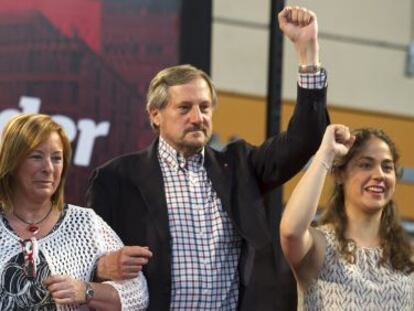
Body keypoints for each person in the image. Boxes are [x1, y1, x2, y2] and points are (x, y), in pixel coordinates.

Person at [86, 6, 329, 311]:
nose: (197, 117)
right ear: (155, 114)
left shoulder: (241, 167)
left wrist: (308, 53)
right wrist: (102, 267)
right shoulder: (117, 179)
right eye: (184, 108)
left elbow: (305, 139)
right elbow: (86, 263)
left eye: (204, 107)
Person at [0, 113, 149, 310]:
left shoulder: (85, 224)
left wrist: (86, 291)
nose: (49, 168)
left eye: (56, 158)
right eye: (36, 156)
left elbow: (138, 294)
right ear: (12, 162)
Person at [280, 124, 414, 310]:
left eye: (387, 167)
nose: (379, 175)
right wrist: (325, 154)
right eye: (366, 165)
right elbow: (290, 231)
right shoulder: (320, 247)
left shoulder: (408, 255)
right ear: (340, 175)